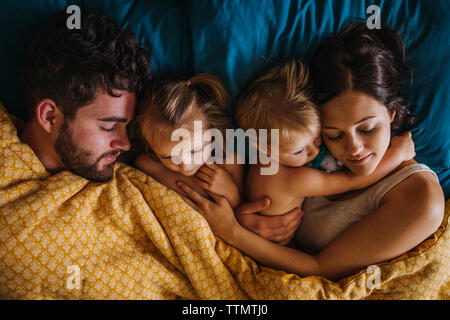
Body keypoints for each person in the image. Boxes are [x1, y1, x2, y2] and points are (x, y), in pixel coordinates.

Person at [176, 23, 445, 281]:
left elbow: (319, 269)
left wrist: (232, 231)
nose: (353, 149)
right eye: (333, 134)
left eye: (367, 129)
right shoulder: (298, 148)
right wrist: (245, 218)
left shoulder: (422, 200)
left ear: (391, 114)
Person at [235, 58, 415, 216]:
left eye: (317, 137)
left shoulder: (270, 149)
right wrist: (397, 155)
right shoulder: (290, 178)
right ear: (263, 148)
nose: (314, 150)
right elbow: (350, 182)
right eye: (299, 150)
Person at [19, 11, 150, 181]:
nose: (126, 144)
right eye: (108, 126)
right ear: (49, 116)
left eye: (128, 127)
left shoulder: (135, 180)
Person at [134, 73, 244, 208]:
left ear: (213, 133)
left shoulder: (229, 163)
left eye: (195, 150)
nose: (185, 166)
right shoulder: (149, 164)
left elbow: (242, 213)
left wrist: (232, 194)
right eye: (168, 156)